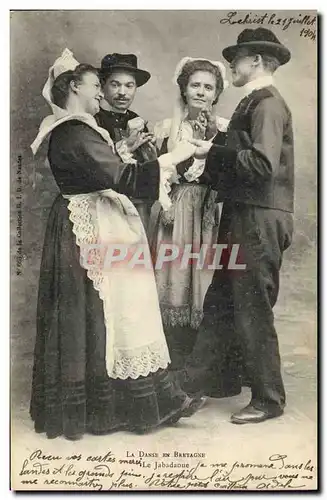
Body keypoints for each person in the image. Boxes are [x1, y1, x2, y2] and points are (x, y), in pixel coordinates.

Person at [29, 49, 201, 440]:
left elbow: (107, 170)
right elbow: (119, 176)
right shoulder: (73, 129)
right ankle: (104, 410)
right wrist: (175, 156)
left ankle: (115, 406)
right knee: (99, 312)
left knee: (103, 313)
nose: (100, 95)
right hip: (85, 226)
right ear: (74, 86)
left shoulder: (79, 127)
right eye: (94, 87)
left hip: (93, 220)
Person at [185, 28, 294, 423]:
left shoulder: (266, 104)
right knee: (220, 301)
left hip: (259, 216)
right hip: (245, 213)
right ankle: (196, 386)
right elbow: (247, 160)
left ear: (258, 62)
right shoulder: (257, 101)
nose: (231, 65)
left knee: (252, 307)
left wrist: (211, 151)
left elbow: (262, 166)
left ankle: (268, 399)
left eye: (238, 59)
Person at [149, 57, 229, 382]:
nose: (201, 91)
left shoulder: (223, 128)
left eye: (208, 87)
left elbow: (225, 174)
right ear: (184, 89)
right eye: (195, 85)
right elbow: (159, 172)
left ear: (216, 94)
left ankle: (200, 370)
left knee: (205, 281)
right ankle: (170, 364)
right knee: (173, 279)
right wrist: (164, 198)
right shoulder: (167, 128)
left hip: (207, 211)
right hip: (177, 208)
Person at [95, 53, 154, 230]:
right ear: (103, 86)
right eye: (115, 85)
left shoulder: (138, 120)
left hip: (136, 206)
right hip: (104, 206)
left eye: (129, 86)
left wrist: (150, 154)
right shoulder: (93, 120)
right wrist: (126, 144)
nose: (123, 92)